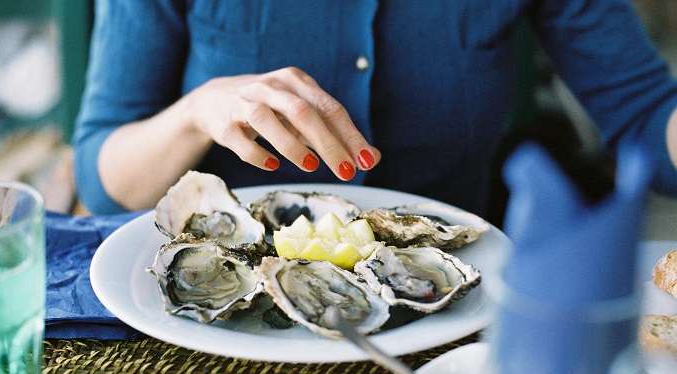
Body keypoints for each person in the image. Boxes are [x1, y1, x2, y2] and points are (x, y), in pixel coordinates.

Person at [72, 1, 677, 218]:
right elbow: (103, 178)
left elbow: (647, 118)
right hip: (217, 328)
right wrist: (196, 113)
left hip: (444, 332)